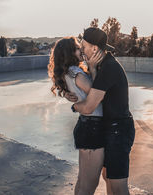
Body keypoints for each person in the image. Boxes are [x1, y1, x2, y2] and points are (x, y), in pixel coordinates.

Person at [65, 27, 135, 195]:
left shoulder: (108, 68)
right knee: (108, 180)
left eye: (84, 46)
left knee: (117, 186)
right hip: (110, 129)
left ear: (94, 48)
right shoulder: (101, 66)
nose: (82, 49)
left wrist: (74, 107)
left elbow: (89, 106)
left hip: (118, 131)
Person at [48, 36, 105, 195]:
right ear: (69, 53)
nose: (81, 50)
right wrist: (93, 69)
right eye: (77, 48)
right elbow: (95, 93)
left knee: (83, 180)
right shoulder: (77, 73)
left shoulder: (67, 73)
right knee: (90, 184)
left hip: (86, 125)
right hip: (93, 127)